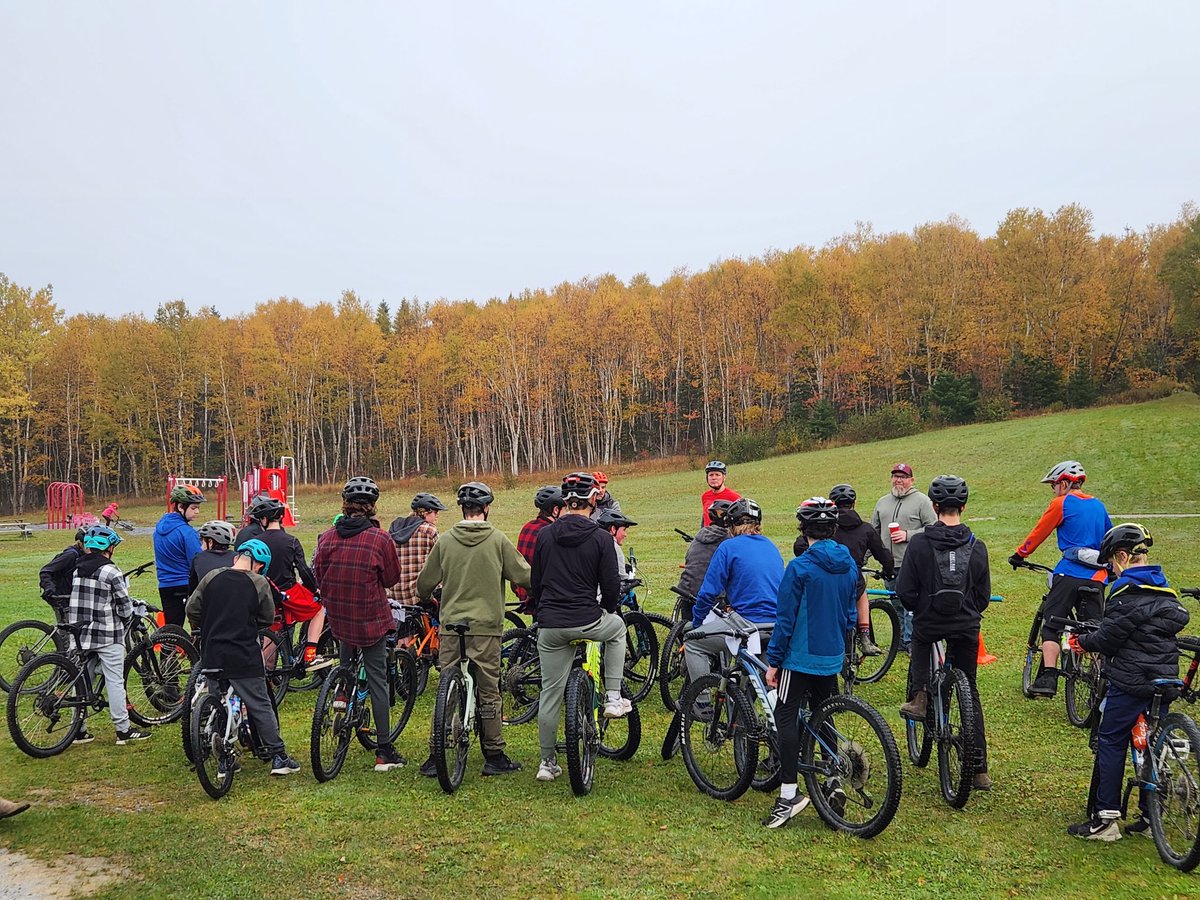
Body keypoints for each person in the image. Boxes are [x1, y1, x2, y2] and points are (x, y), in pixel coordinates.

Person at [1066, 523, 1188, 841]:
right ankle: (1151, 816)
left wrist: (1084, 641)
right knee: (1149, 742)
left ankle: (1106, 819)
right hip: (1165, 677)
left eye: (1110, 564)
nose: (1110, 571)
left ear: (1122, 557)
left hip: (1132, 680)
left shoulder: (1125, 593)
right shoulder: (1164, 590)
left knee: (1111, 739)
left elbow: (1109, 638)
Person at [415, 482, 531, 777]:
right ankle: (494, 754)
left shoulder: (446, 540)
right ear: (486, 508)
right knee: (489, 688)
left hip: (452, 626)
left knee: (447, 687)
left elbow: (425, 583)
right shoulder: (498, 540)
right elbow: (523, 575)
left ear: (462, 508)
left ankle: (435, 753)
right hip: (486, 627)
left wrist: (428, 599)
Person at [763, 497, 858, 828]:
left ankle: (788, 794)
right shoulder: (848, 564)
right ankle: (832, 779)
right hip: (831, 655)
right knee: (824, 715)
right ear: (833, 528)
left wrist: (774, 662)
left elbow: (785, 620)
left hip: (800, 657)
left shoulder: (799, 568)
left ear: (803, 531)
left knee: (784, 715)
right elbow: (849, 613)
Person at [529, 472, 628, 783]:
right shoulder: (602, 538)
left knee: (550, 694)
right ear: (593, 500)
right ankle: (612, 695)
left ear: (564, 502)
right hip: (588, 618)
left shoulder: (545, 535)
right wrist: (608, 609)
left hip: (551, 625)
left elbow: (536, 582)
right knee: (618, 629)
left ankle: (547, 763)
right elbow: (611, 586)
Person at [896, 475, 993, 791]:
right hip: (966, 625)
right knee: (971, 690)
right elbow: (982, 596)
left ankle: (920, 696)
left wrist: (920, 608)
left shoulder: (920, 543)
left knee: (921, 639)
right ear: (963, 506)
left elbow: (906, 591)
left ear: (934, 506)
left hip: (930, 621)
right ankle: (979, 769)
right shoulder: (976, 545)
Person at [312, 476, 405, 772]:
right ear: (372, 507)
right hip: (369, 617)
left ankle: (341, 693)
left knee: (346, 657)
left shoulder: (327, 537)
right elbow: (391, 579)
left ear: (346, 505)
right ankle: (384, 750)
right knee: (377, 679)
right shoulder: (379, 539)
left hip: (339, 615)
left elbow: (318, 574)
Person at [186, 538, 301, 776]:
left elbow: (192, 609)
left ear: (237, 557)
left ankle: (223, 760)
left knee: (217, 703)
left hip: (211, 653)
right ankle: (278, 756)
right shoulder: (258, 583)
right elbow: (266, 618)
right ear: (259, 565)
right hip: (243, 654)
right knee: (260, 703)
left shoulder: (211, 576)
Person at [1009, 460, 1112, 698]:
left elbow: (1039, 532)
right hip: (1097, 577)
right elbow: (1109, 538)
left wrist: (1019, 554)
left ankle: (1049, 678)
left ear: (1064, 483)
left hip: (1069, 574)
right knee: (1094, 629)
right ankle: (1100, 677)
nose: (1053, 490)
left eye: (1054, 485)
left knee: (1052, 624)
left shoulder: (1061, 503)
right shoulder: (1099, 506)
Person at [67, 525, 151, 745]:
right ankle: (123, 729)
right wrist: (128, 619)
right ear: (109, 547)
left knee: (84, 680)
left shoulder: (77, 569)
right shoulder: (111, 571)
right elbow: (124, 606)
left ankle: (79, 729)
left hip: (81, 633)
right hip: (106, 633)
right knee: (115, 680)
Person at [687, 499, 782, 686]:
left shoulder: (728, 547)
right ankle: (743, 713)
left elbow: (708, 592)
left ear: (730, 527)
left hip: (747, 623)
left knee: (692, 643)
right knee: (761, 680)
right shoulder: (771, 546)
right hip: (775, 623)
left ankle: (699, 702)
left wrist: (697, 622)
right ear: (758, 524)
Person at [250, 496, 328, 668]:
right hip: (289, 591)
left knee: (272, 632)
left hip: (265, 593)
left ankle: (266, 672)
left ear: (264, 519)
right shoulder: (291, 541)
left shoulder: (256, 542)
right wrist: (315, 590)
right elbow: (304, 571)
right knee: (319, 609)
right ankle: (310, 653)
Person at [869, 463, 936, 651]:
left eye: (903, 476)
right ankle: (899, 641)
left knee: (910, 606)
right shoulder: (882, 502)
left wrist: (908, 535)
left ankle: (911, 643)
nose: (899, 480)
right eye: (895, 476)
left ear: (912, 480)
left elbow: (934, 528)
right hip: (889, 565)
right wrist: (864, 556)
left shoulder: (922, 501)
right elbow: (872, 532)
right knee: (895, 603)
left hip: (912, 564)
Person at [824, 483, 895, 658]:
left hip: (828, 577)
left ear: (832, 503)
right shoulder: (865, 529)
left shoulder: (826, 527)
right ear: (854, 503)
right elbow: (883, 554)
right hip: (853, 577)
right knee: (860, 590)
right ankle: (864, 637)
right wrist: (888, 570)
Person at [153, 483, 205, 627]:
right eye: (194, 508)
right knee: (199, 627)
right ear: (181, 506)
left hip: (165, 584)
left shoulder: (159, 528)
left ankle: (167, 649)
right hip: (185, 584)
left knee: (172, 630)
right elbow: (196, 562)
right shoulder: (186, 532)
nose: (197, 512)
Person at [675, 499, 733, 622]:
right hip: (710, 596)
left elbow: (689, 559)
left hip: (685, 589)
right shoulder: (728, 540)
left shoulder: (700, 535)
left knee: (687, 634)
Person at [387, 492, 448, 608]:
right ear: (425, 513)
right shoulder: (429, 531)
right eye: (435, 512)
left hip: (394, 596)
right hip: (418, 597)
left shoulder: (394, 529)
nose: (437, 516)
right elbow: (441, 564)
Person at [513, 486, 564, 613]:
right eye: (565, 508)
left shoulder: (528, 527)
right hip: (544, 596)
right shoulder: (552, 533)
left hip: (525, 591)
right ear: (555, 510)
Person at [38, 528, 86, 613]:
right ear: (80, 543)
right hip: (63, 597)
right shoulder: (71, 555)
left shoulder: (83, 555)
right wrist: (50, 588)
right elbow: (46, 571)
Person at [188, 520, 237, 592]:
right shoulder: (237, 558)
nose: (201, 547)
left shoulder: (198, 559)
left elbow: (192, 587)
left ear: (210, 542)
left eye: (202, 541)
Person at [596, 507, 638, 584]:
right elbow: (622, 580)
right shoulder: (613, 547)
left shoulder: (594, 543)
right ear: (613, 529)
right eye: (624, 530)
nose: (625, 535)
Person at [700, 460, 741, 528]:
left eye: (717, 475)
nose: (714, 478)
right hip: (707, 535)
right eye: (711, 475)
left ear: (724, 477)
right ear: (707, 478)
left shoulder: (734, 497)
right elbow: (705, 519)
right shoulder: (705, 496)